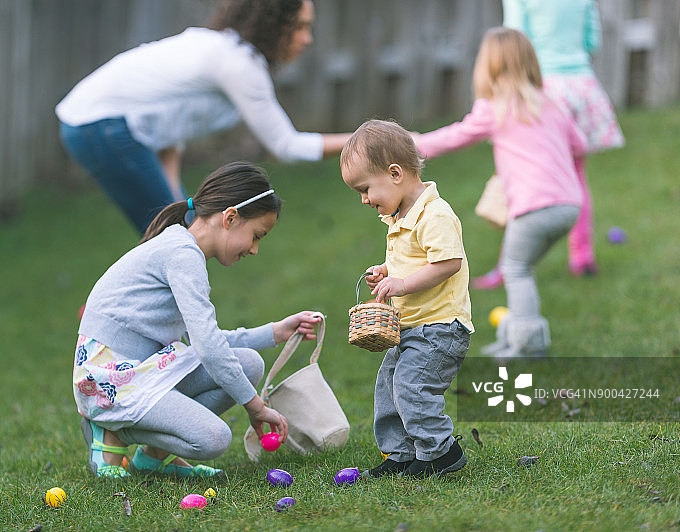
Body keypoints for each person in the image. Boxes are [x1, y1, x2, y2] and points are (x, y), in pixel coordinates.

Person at [72, 161, 322, 478]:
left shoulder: (182, 248)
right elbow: (208, 348)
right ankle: (111, 429)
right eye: (256, 236)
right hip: (109, 380)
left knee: (249, 364)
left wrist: (275, 332)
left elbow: (208, 342)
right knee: (214, 439)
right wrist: (255, 407)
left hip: (145, 370)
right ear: (230, 217)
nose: (255, 249)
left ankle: (153, 457)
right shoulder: (182, 254)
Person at [56, 0, 352, 234]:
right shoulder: (238, 62)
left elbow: (170, 126)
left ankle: (117, 309)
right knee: (178, 239)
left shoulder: (224, 50)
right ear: (274, 25)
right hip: (99, 126)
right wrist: (365, 138)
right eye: (299, 27)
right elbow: (287, 147)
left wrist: (172, 195)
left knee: (181, 230)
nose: (308, 39)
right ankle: (113, 310)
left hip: (92, 125)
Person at [414, 27, 588, 359]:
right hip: (568, 204)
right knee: (521, 267)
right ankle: (514, 336)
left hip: (534, 208)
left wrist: (417, 143)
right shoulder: (551, 102)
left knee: (516, 271)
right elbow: (579, 144)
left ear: (488, 68)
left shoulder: (494, 107)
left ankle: (528, 345)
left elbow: (457, 135)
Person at [340, 119, 473, 479]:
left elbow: (447, 263)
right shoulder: (400, 217)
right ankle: (399, 454)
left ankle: (439, 452)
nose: (364, 199)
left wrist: (401, 285)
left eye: (366, 188)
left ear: (395, 173)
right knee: (389, 388)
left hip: (441, 327)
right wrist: (387, 270)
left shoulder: (435, 214)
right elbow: (412, 258)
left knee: (412, 387)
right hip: (411, 327)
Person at [472, 0, 625, 287]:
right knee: (576, 175)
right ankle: (582, 257)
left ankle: (509, 266)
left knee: (522, 176)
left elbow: (514, 40)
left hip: (540, 88)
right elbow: (593, 40)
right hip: (581, 85)